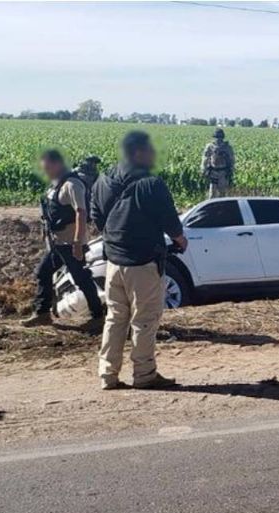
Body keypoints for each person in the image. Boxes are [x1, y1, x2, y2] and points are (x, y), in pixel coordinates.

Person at [91, 131, 188, 390]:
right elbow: (170, 221)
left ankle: (107, 374)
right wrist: (180, 240)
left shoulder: (104, 179)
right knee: (144, 320)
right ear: (137, 153)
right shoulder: (150, 183)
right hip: (143, 262)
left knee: (114, 317)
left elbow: (96, 216)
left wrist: (115, 237)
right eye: (149, 150)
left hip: (113, 260)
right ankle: (145, 375)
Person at [22, 149, 105, 327]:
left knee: (81, 279)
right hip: (58, 244)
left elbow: (81, 212)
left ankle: (98, 316)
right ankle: (42, 313)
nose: (46, 172)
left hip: (71, 243)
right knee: (43, 272)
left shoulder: (73, 185)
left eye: (48, 168)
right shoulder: (56, 184)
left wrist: (77, 242)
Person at [200, 128, 235, 198]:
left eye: (220, 137)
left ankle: (222, 208)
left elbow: (232, 159)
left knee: (222, 193)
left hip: (223, 172)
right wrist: (203, 169)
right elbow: (205, 158)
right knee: (212, 193)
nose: (218, 139)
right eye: (217, 137)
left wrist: (231, 169)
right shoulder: (210, 146)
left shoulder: (227, 147)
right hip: (213, 172)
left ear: (222, 137)